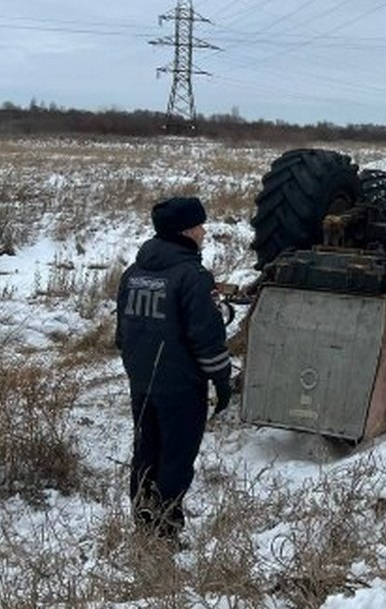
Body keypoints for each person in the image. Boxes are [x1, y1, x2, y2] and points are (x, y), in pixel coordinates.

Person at [115, 196, 231, 541]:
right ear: (186, 231)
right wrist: (221, 379)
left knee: (146, 451)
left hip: (142, 382)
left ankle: (143, 521)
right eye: (199, 226)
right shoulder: (192, 276)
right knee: (176, 459)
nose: (204, 232)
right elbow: (206, 338)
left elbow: (123, 333)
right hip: (181, 388)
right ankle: (165, 530)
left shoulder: (133, 274)